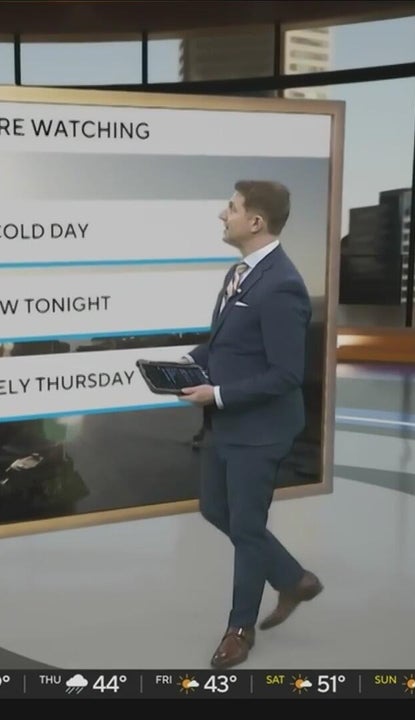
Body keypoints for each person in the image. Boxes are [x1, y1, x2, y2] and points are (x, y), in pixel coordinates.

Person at [178, 180, 323, 670]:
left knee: (246, 528)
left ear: (256, 221)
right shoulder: (239, 273)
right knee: (215, 508)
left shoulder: (282, 286)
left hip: (261, 430)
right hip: (227, 422)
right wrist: (188, 362)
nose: (224, 215)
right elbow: (228, 343)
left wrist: (216, 394)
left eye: (232, 208)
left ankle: (239, 629)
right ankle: (295, 579)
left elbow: (286, 374)